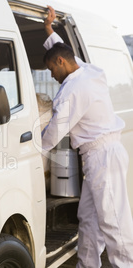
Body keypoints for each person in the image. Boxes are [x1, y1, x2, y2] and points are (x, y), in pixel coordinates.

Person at [42, 6, 133, 267]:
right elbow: (64, 52)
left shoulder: (72, 89)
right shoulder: (88, 71)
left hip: (102, 158)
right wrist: (49, 29)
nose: (52, 76)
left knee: (114, 223)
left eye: (51, 70)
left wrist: (34, 150)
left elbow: (54, 132)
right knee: (90, 221)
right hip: (102, 156)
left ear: (60, 63)